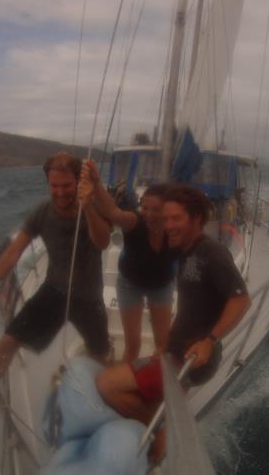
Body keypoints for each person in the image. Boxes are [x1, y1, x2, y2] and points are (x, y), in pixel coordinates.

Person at [96, 185, 251, 458]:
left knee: (106, 384)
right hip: (176, 352)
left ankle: (165, 428)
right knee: (135, 383)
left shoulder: (211, 253)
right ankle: (160, 420)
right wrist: (164, 344)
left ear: (196, 219)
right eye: (165, 219)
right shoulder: (185, 251)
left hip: (190, 359)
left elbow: (240, 300)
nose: (168, 225)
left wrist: (209, 341)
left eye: (175, 218)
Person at [0, 152, 112, 380]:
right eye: (54, 185)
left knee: (100, 356)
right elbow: (12, 254)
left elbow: (103, 242)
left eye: (66, 185)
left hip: (88, 297)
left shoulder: (92, 206)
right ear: (47, 183)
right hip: (54, 291)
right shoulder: (42, 213)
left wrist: (88, 208)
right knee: (7, 342)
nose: (60, 192)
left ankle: (104, 397)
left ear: (77, 181)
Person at [81, 160, 177, 363]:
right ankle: (124, 381)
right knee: (133, 344)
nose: (149, 214)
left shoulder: (175, 231)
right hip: (129, 283)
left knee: (163, 343)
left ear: (168, 210)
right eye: (145, 208)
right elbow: (112, 212)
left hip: (161, 285)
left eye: (156, 209)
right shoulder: (135, 221)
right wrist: (97, 183)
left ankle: (160, 381)